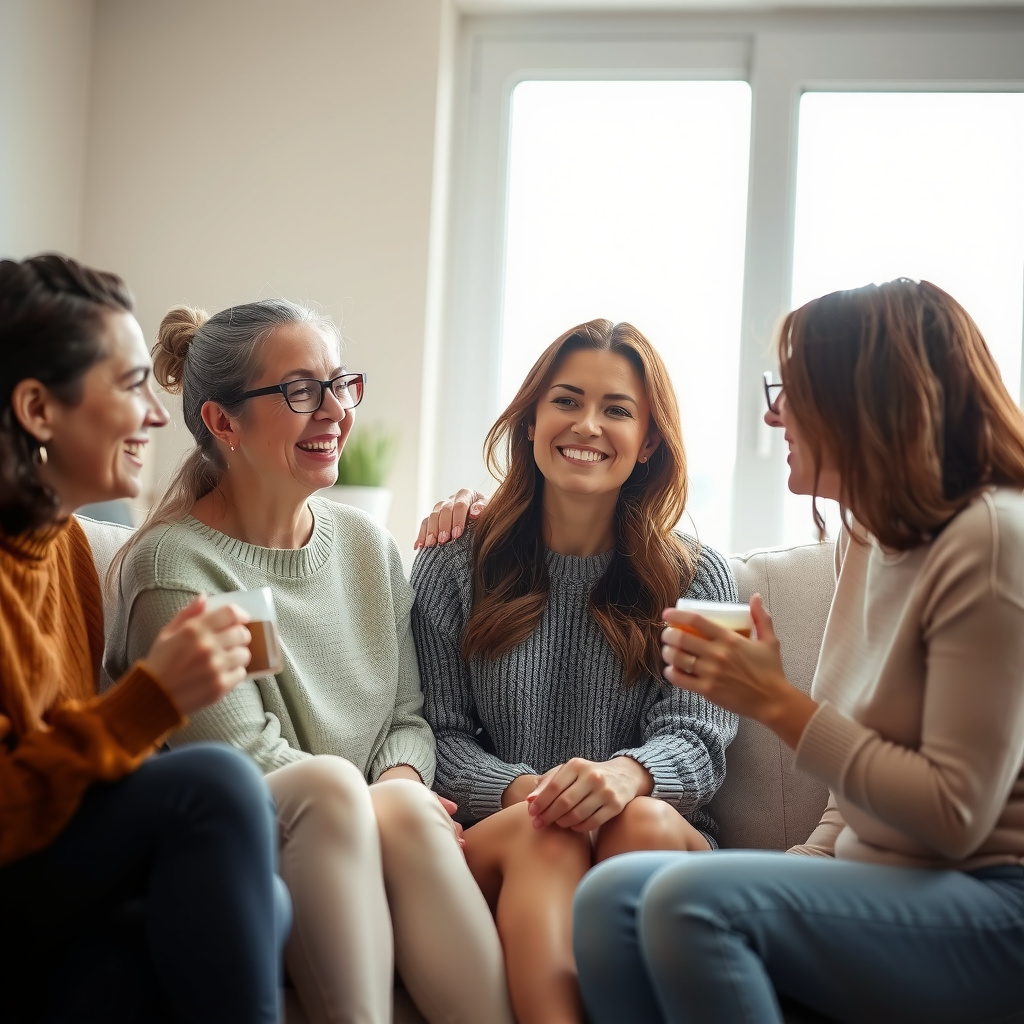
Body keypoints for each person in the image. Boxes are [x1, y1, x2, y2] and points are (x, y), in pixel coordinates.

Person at [573, 279, 1024, 1024]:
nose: (772, 413)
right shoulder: (867, 533)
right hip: (884, 889)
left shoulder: (991, 538)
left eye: (794, 389)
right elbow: (848, 814)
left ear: (869, 399)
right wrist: (783, 883)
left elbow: (953, 815)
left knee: (689, 904)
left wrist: (776, 704)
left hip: (992, 904)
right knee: (612, 900)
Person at [105, 299, 514, 1024]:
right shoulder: (177, 565)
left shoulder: (368, 547)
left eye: (340, 383)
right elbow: (241, 756)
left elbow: (406, 716)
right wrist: (367, 804)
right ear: (222, 423)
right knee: (335, 787)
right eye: (299, 391)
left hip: (360, 821)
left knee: (406, 809)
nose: (333, 411)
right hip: (255, 841)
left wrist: (399, 783)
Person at [410, 318, 739, 1024]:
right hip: (511, 832)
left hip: (652, 826)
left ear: (649, 439)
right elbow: (436, 734)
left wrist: (621, 778)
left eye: (616, 409)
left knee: (639, 824)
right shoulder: (452, 561)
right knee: (547, 829)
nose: (587, 424)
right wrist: (536, 791)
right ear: (531, 420)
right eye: (566, 400)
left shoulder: (698, 574)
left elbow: (699, 743)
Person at [0, 253, 289, 1024]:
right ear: (37, 408)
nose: (162, 416)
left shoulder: (63, 549)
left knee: (258, 901)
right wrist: (150, 701)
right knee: (217, 788)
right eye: (132, 386)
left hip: (43, 886)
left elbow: (69, 767)